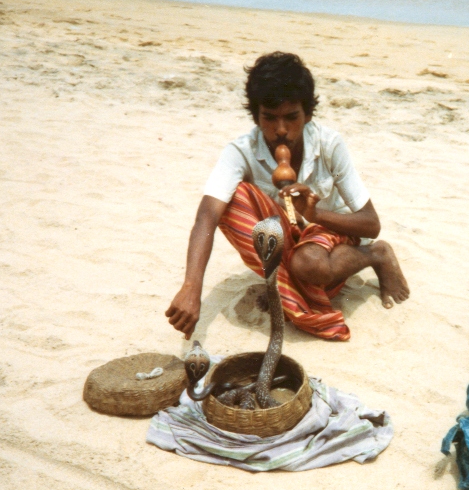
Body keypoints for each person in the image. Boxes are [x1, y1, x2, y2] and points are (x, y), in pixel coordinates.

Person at [166, 52, 409, 342]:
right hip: (290, 239)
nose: (281, 130)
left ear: (307, 114)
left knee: (308, 264)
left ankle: (377, 255)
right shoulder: (241, 151)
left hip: (333, 235)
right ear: (255, 116)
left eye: (291, 117)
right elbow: (207, 215)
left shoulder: (328, 144)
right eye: (269, 118)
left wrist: (315, 216)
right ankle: (293, 287)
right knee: (232, 199)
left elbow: (371, 223)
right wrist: (192, 287)